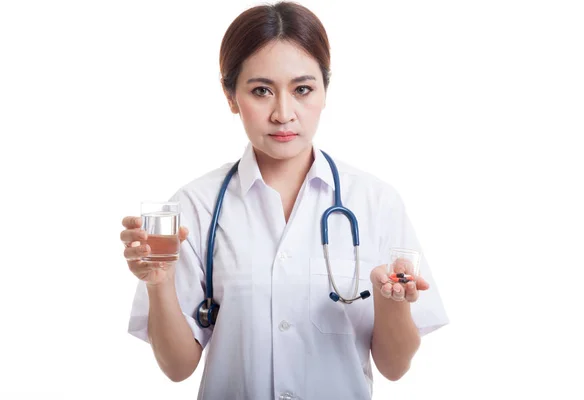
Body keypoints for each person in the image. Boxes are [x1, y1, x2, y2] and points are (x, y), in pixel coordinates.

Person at [121, 2, 449, 399]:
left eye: (302, 89)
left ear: (325, 91)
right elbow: (177, 368)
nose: (283, 113)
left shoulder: (376, 202)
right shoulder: (196, 206)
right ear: (230, 97)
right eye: (261, 90)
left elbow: (395, 368)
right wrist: (160, 284)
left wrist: (391, 301)